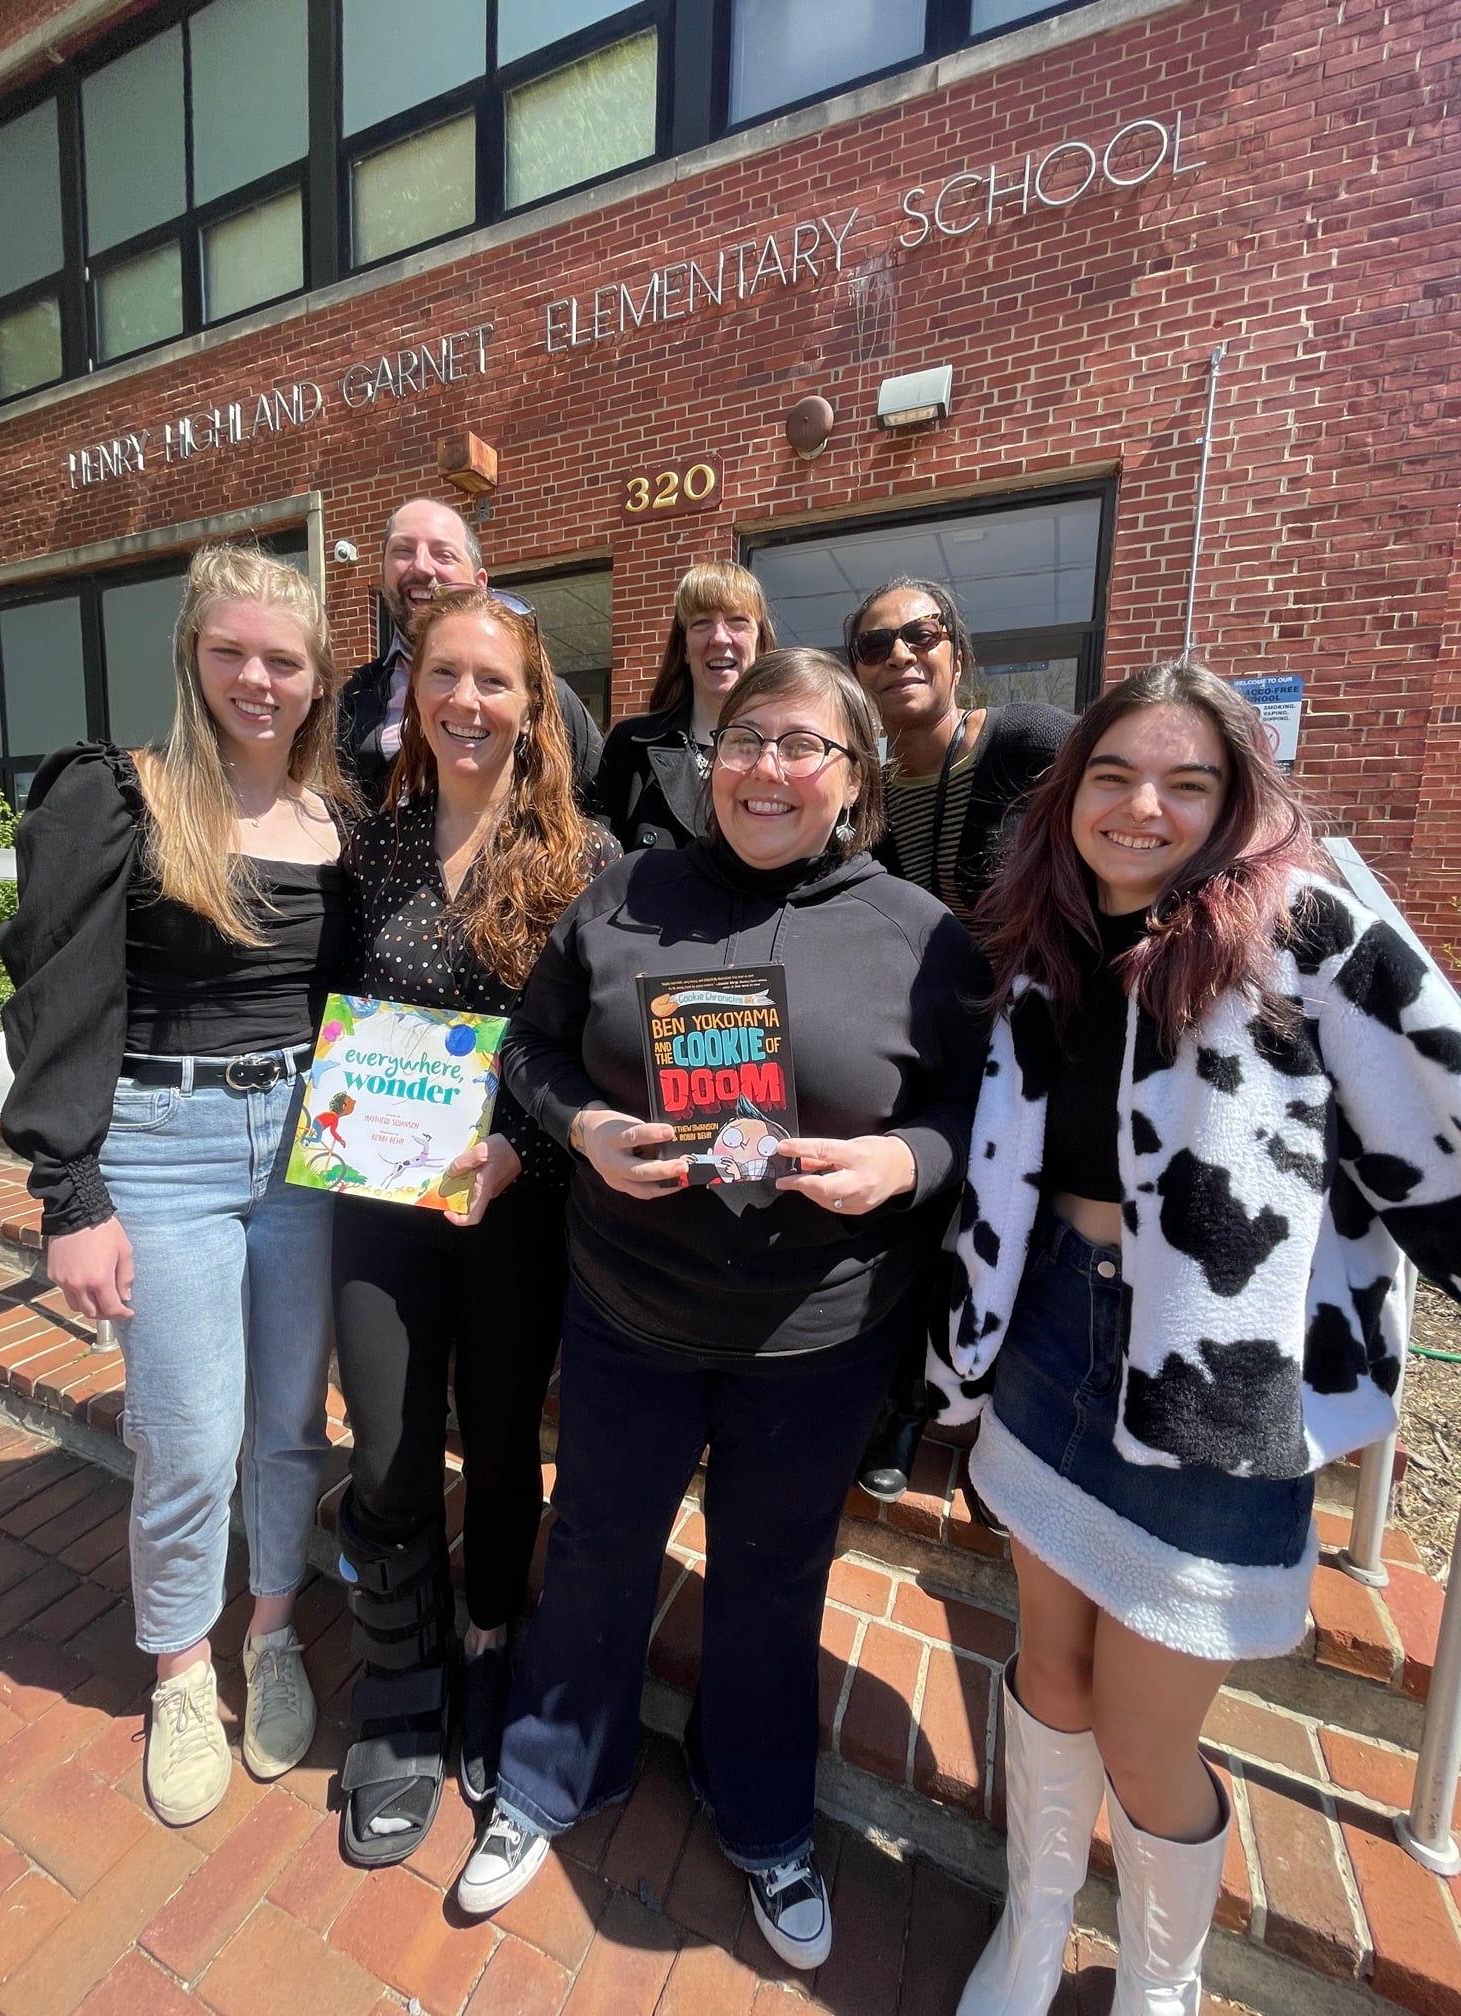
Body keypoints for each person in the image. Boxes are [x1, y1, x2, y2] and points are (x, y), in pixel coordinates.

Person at [926, 661, 1461, 2016]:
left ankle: (1162, 1982)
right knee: (1048, 1668)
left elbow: (1440, 1111)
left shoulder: (1306, 930)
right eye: (1112, 775)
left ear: (1235, 799)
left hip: (1220, 1372)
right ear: (1070, 792)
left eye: (1185, 781)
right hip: (1053, 1330)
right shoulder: (1043, 928)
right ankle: (1034, 1926)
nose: (1142, 806)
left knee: (1147, 1731)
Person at [455, 649, 990, 1969]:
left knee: (771, 1583)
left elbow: (979, 1114)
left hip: (812, 1341)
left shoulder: (920, 936)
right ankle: (547, 1774)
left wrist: (904, 1163)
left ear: (853, 778)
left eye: (805, 746)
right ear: (712, 758)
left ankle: (762, 1811)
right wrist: (580, 1125)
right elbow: (530, 1045)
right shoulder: (627, 894)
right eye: (747, 740)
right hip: (631, 1311)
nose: (767, 768)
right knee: (594, 1551)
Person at [0, 546, 351, 1827]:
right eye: (233, 653)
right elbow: (56, 987)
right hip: (165, 1139)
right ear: (192, 658)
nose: (258, 678)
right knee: (187, 1436)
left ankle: (269, 1636)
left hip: (311, 1143)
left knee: (289, 1421)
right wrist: (71, 1195)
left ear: (317, 680)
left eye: (284, 659)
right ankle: (179, 1670)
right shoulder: (124, 795)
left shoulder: (336, 820)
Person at [332, 587, 618, 1866]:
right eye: (443, 675)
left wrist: (525, 1146)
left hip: (516, 1206)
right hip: (385, 1202)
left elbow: (602, 1058)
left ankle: (490, 1644)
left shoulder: (587, 861)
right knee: (390, 1449)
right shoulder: (373, 847)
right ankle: (399, 1684)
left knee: (501, 1447)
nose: (465, 702)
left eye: (492, 681)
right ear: (412, 692)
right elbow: (337, 1016)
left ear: (532, 702)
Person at [845, 575, 1073, 1500]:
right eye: (874, 644)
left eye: (922, 633)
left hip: (1033, 1045)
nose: (901, 653)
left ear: (956, 652)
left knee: (1026, 1233)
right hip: (928, 1040)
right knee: (920, 1218)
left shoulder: (1026, 743)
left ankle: (1006, 1435)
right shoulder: (862, 791)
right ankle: (905, 1405)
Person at [337, 496, 602, 807]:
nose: (421, 566)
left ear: (480, 584)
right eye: (403, 550)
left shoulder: (548, 698)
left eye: (444, 554)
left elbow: (597, 808)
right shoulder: (353, 701)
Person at [591, 559, 775, 851]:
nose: (719, 637)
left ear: (761, 643)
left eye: (737, 620)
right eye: (701, 623)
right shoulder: (629, 747)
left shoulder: (788, 752)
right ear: (685, 649)